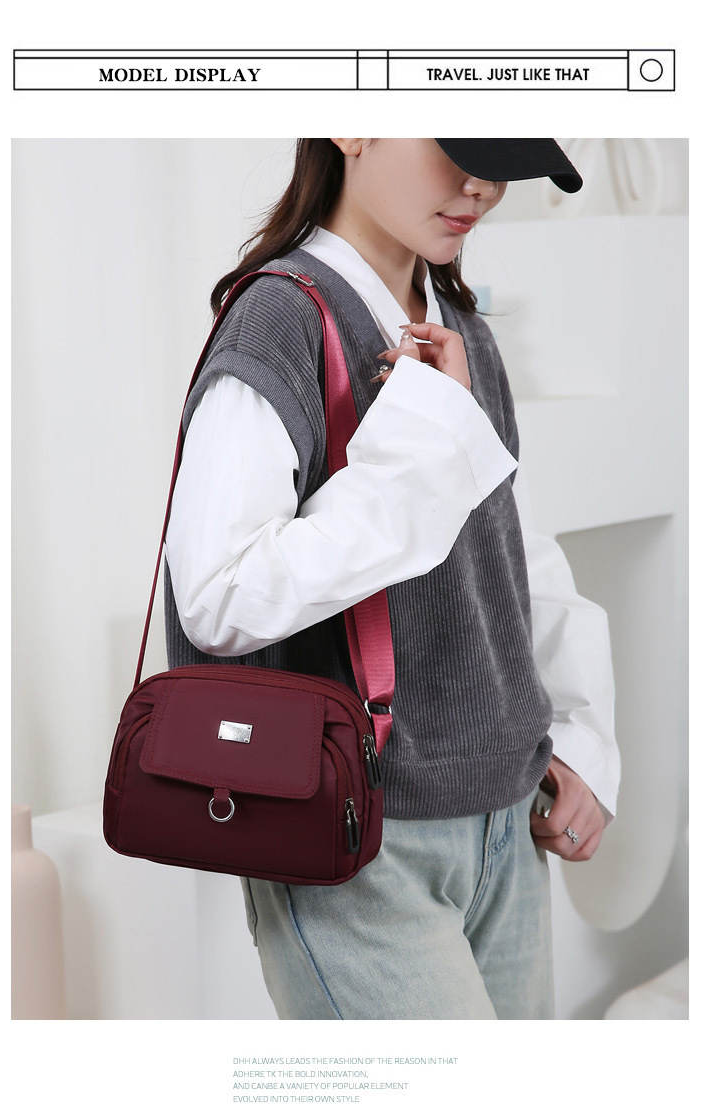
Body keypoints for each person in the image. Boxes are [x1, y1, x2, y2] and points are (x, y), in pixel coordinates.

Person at [163, 138, 621, 1020]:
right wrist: (417, 446)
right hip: (359, 835)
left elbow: (512, 547)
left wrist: (579, 737)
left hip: (507, 817)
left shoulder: (463, 328)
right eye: (457, 148)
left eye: (503, 162)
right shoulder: (280, 319)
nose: (482, 186)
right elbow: (219, 595)